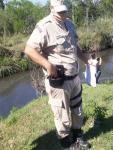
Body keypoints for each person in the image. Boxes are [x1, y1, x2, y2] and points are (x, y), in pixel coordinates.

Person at [24, 0, 90, 149]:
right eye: (59, 11)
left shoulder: (69, 24)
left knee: (77, 109)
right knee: (62, 115)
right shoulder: (44, 26)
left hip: (75, 77)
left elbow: (75, 47)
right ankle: (67, 144)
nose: (63, 14)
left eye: (64, 10)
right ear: (51, 9)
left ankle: (78, 136)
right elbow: (29, 50)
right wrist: (47, 65)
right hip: (59, 81)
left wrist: (87, 60)